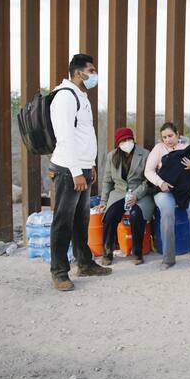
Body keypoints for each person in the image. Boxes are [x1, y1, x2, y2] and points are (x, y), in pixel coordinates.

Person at [49, 53, 111, 291]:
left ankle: (84, 262)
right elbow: (65, 137)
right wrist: (76, 171)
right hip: (67, 169)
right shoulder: (64, 97)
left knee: (80, 219)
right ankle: (59, 272)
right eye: (91, 70)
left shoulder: (81, 96)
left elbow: (84, 135)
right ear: (78, 72)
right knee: (62, 221)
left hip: (82, 167)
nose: (94, 75)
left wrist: (90, 166)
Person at [144, 122, 190, 269]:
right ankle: (168, 259)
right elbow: (148, 171)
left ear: (177, 134)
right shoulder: (158, 149)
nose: (167, 140)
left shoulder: (187, 148)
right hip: (165, 190)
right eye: (164, 137)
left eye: (170, 136)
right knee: (168, 214)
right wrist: (161, 183)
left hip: (186, 189)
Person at [96, 127, 155, 266]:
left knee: (136, 214)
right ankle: (107, 251)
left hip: (141, 193)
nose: (127, 143)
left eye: (129, 139)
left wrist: (136, 194)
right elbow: (107, 180)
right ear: (118, 144)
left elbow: (149, 180)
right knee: (110, 215)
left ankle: (137, 252)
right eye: (123, 141)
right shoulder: (112, 156)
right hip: (119, 193)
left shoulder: (145, 154)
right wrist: (104, 201)